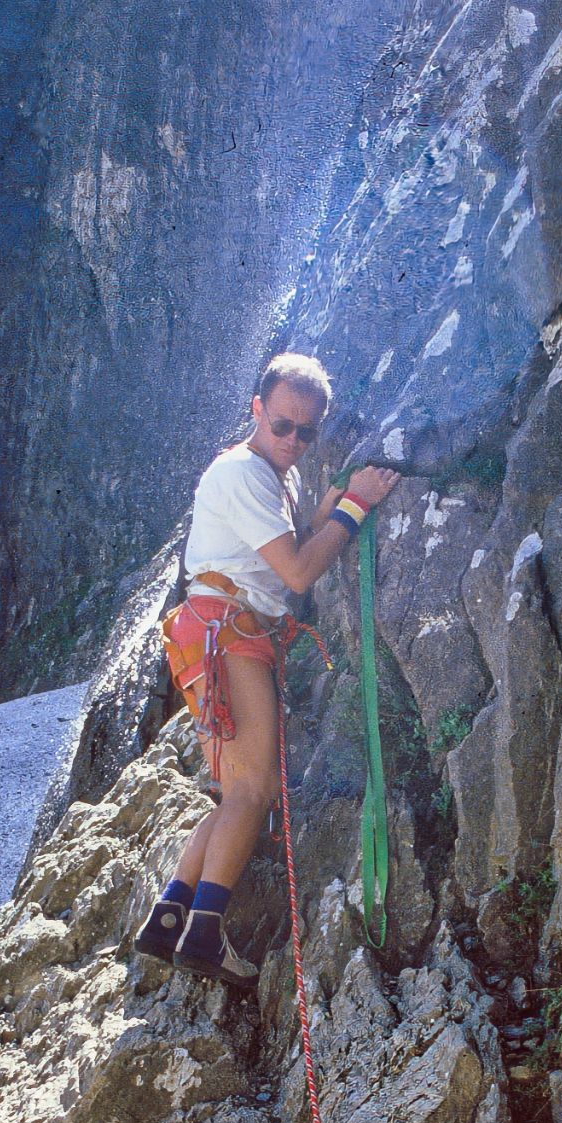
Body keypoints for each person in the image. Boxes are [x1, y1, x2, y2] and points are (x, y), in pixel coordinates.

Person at [133, 352, 398, 988]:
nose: (294, 442)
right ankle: (203, 934)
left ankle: (169, 915)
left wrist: (322, 508)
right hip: (230, 636)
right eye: (283, 426)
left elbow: (285, 542)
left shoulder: (272, 479)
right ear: (257, 410)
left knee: (236, 791)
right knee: (253, 792)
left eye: (308, 432)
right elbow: (300, 571)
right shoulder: (243, 472)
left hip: (212, 634)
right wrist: (353, 509)